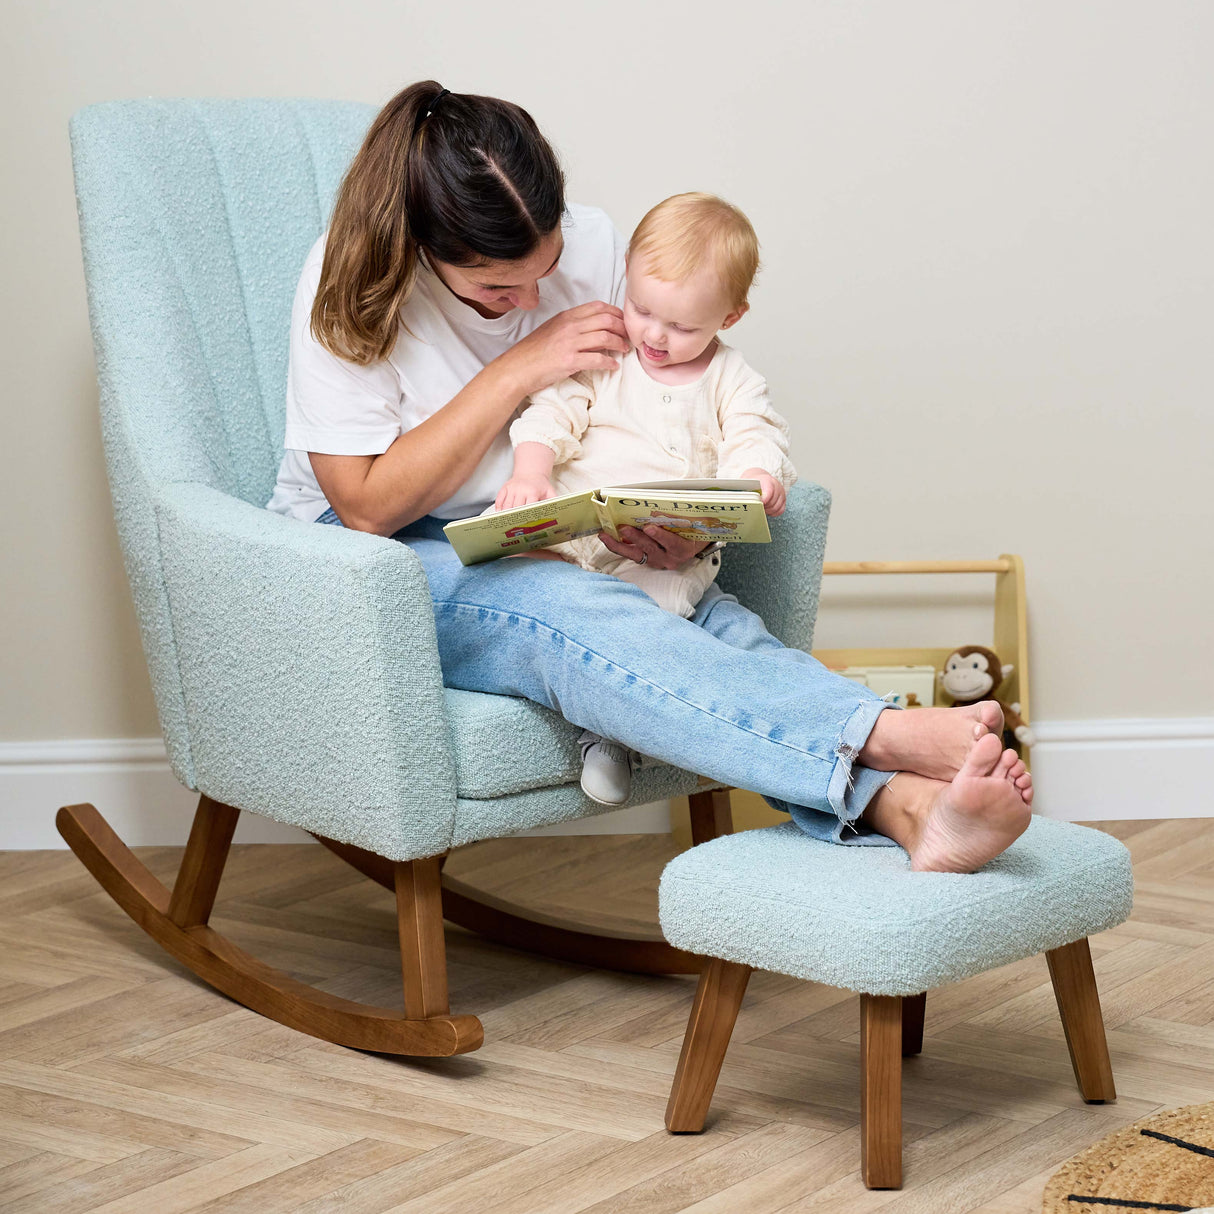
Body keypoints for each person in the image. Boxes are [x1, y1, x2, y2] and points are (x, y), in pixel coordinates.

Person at [266, 79, 1034, 874]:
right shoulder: (352, 280)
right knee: (564, 608)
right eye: (499, 289)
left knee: (706, 621)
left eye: (549, 267)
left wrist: (667, 523)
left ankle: (912, 810)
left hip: (555, 529)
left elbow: (646, 409)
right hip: (376, 558)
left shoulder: (600, 247)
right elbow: (363, 508)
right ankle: (879, 730)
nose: (533, 298)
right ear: (427, 251)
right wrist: (521, 366)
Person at [494, 192, 795, 804]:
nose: (654, 334)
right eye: (642, 308)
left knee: (647, 616)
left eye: (681, 326)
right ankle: (596, 705)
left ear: (730, 318)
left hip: (661, 554)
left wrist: (757, 475)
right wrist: (532, 470)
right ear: (626, 273)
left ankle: (608, 734)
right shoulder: (608, 357)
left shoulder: (730, 378)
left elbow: (755, 430)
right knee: (528, 578)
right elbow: (551, 411)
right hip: (574, 534)